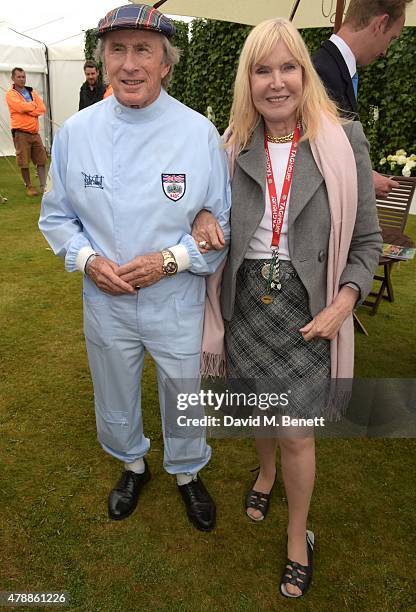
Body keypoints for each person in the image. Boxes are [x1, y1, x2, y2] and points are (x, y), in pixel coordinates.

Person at [193, 17, 381, 598]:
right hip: (246, 301)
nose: (276, 82)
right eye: (262, 69)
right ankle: (265, 472)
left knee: (297, 429)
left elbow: (367, 242)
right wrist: (199, 216)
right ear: (247, 81)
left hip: (309, 307)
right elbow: (204, 210)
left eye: (288, 67)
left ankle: (299, 533)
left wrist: (344, 302)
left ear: (306, 73)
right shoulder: (229, 145)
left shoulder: (342, 141)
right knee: (259, 409)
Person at [39, 3, 230, 532]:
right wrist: (87, 260)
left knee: (183, 388)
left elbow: (220, 234)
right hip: (106, 299)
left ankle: (188, 472)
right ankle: (132, 463)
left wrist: (169, 261)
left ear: (165, 63)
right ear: (102, 59)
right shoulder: (77, 133)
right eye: (117, 49)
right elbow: (56, 217)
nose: (129, 63)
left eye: (142, 50)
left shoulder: (197, 133)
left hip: (175, 300)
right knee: (114, 387)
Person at [312, 0, 412, 198]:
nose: (385, 52)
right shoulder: (321, 73)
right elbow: (314, 159)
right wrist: (364, 180)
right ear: (380, 24)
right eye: (391, 38)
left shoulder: (333, 68)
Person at [5, 67, 48, 197]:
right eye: (19, 77)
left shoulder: (31, 92)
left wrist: (30, 109)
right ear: (13, 78)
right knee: (23, 161)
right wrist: (32, 107)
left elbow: (42, 108)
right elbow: (20, 107)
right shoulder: (11, 94)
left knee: (41, 159)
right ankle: (29, 186)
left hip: (34, 132)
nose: (22, 79)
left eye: (23, 77)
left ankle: (43, 186)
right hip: (21, 132)